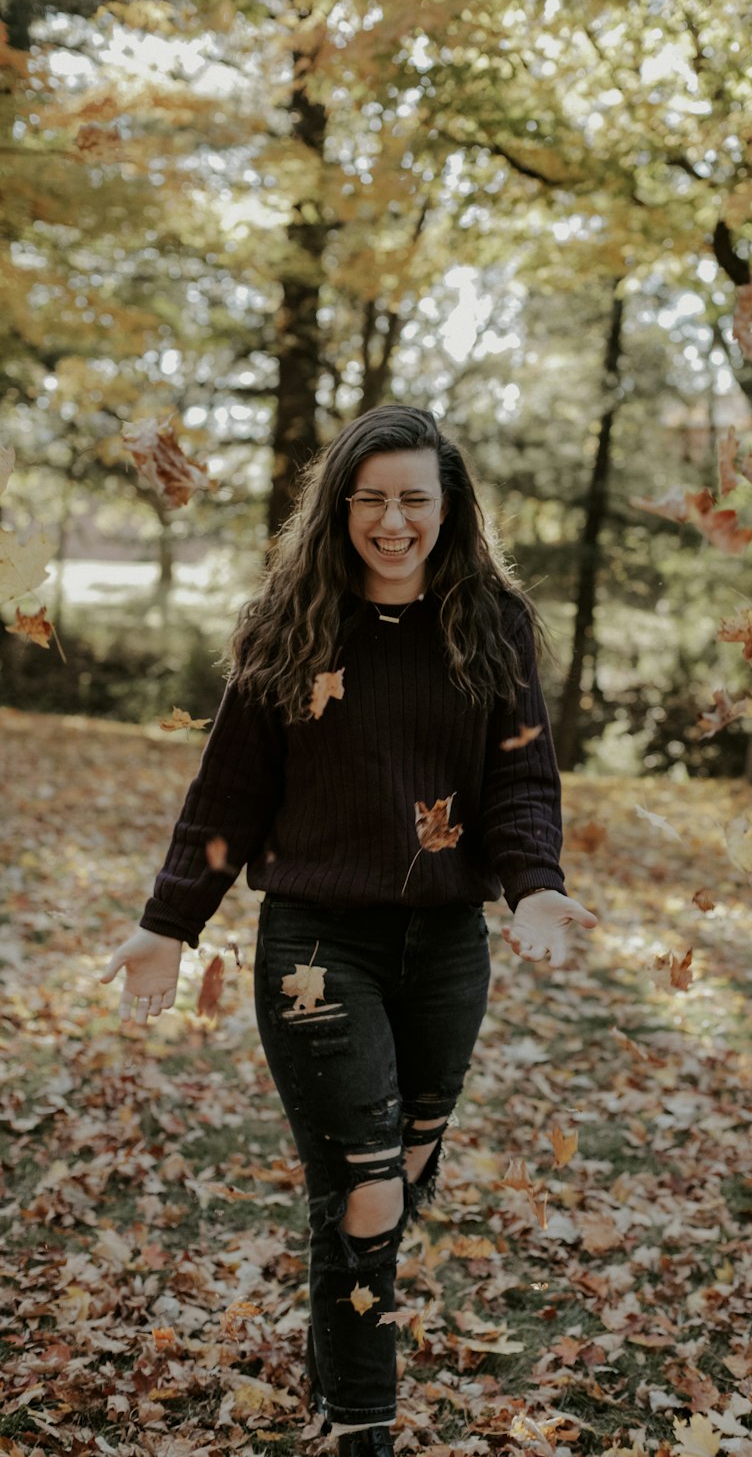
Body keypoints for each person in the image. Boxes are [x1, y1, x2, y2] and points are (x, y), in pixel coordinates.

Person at [101, 404, 598, 1454]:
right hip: (317, 945)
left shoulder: (492, 622)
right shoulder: (291, 620)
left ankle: (335, 1374)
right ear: (339, 507)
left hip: (446, 952)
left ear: (448, 507)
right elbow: (227, 791)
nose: (391, 520)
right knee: (369, 1190)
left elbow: (519, 779)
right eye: (370, 498)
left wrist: (535, 889)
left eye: (414, 499)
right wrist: (168, 922)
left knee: (389, 1180)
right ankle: (363, 1427)